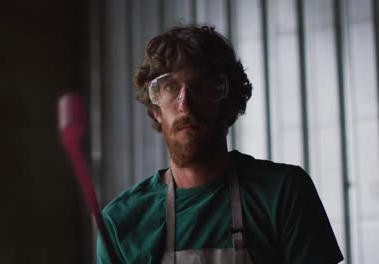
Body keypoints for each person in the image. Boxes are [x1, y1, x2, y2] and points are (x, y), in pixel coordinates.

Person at [97, 24, 344, 264]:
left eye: (201, 86)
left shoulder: (283, 193)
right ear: (156, 110)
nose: (185, 104)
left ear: (229, 102)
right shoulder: (120, 222)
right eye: (170, 87)